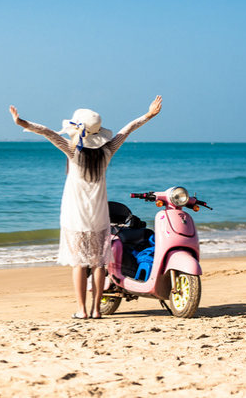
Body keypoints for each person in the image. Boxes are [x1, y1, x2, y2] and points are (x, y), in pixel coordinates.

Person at [9, 96, 162, 319]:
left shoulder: (72, 151)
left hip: (76, 217)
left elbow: (47, 132)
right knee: (100, 264)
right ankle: (97, 310)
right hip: (99, 216)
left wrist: (21, 122)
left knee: (80, 264)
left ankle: (81, 310)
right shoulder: (107, 151)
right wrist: (148, 115)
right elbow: (127, 130)